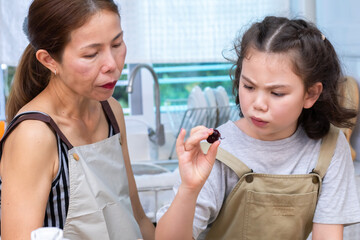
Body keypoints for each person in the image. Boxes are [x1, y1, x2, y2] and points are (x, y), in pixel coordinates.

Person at [155, 16, 360, 240]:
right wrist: (189, 188)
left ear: (310, 94)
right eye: (249, 86)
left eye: (276, 93)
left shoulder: (330, 147)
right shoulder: (216, 149)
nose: (258, 104)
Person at [0, 0, 155, 239]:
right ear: (49, 60)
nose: (112, 65)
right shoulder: (34, 135)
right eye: (91, 54)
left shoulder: (111, 110)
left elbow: (138, 219)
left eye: (117, 43)